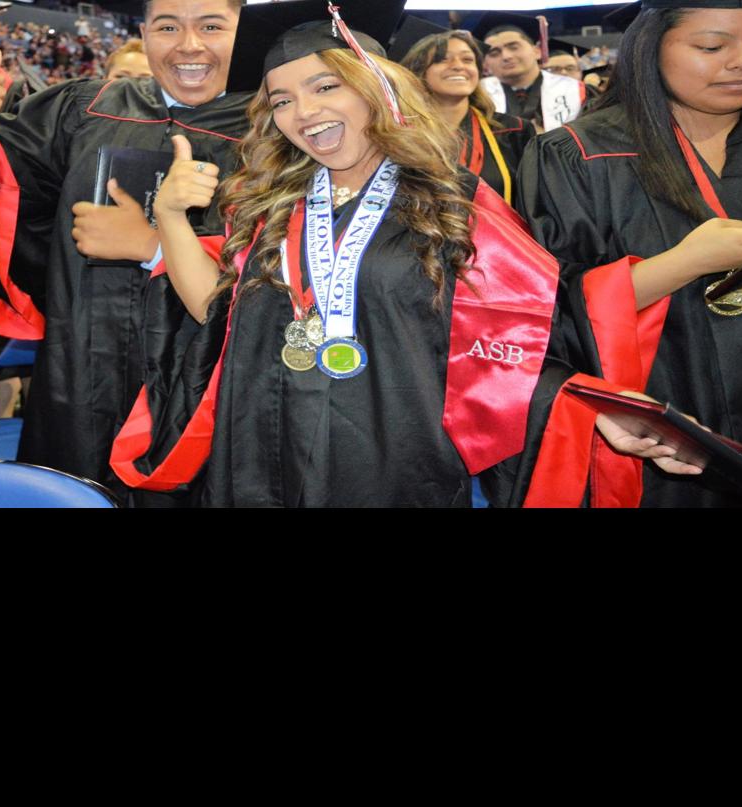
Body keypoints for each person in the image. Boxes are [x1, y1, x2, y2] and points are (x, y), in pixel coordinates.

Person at [110, 0, 689, 506]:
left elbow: (516, 339)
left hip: (397, 462)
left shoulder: (454, 203)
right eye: (281, 100)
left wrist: (591, 407)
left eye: (325, 86)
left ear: (376, 88)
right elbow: (216, 314)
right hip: (258, 448)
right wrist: (168, 218)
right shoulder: (265, 206)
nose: (303, 113)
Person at [0, 0, 251, 501]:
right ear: (144, 31)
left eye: (212, 26)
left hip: (208, 381)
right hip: (77, 365)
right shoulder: (85, 107)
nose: (189, 45)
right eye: (168, 26)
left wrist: (153, 245)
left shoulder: (275, 125)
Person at [517, 0, 742, 507]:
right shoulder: (577, 155)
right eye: (711, 46)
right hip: (658, 441)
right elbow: (538, 316)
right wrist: (685, 262)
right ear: (650, 48)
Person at [397, 28, 528, 208]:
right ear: (419, 71)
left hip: (497, 234)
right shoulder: (400, 134)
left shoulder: (514, 131)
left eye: (467, 59)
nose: (458, 66)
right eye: (442, 59)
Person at [476, 12, 585, 133]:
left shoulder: (577, 91)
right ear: (486, 63)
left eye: (513, 47)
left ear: (537, 51)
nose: (506, 56)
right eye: (494, 53)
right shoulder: (477, 95)